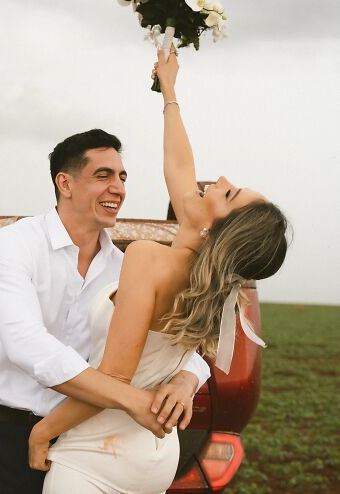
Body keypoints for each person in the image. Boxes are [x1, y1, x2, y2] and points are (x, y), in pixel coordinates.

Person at [27, 48, 288, 494]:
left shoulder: (149, 258)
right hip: (155, 457)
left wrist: (44, 430)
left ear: (211, 229)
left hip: (97, 454)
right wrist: (170, 91)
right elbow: (180, 166)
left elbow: (115, 378)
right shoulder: (211, 284)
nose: (219, 179)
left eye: (230, 193)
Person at [0, 86, 212, 494]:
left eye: (122, 177)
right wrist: (130, 399)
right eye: (103, 176)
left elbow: (170, 341)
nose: (119, 188)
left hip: (78, 449)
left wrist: (187, 378)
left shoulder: (126, 268)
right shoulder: (14, 244)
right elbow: (26, 344)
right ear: (65, 182)